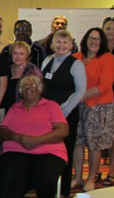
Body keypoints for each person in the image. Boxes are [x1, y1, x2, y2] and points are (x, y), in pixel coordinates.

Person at [0, 75, 69, 198]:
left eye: (33, 85)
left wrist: (37, 140)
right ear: (20, 90)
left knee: (45, 175)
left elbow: (63, 131)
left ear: (40, 89)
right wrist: (18, 138)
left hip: (48, 152)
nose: (28, 88)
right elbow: (1, 130)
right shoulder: (15, 107)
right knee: (10, 174)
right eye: (25, 86)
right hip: (16, 150)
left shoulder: (51, 106)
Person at [39, 30, 86, 196]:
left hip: (67, 115)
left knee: (65, 150)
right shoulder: (47, 60)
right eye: (58, 42)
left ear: (71, 45)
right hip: (46, 114)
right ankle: (47, 186)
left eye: (65, 43)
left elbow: (80, 91)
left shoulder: (76, 64)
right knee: (47, 149)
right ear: (52, 44)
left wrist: (64, 110)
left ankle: (64, 189)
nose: (61, 45)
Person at [72, 28, 114, 191]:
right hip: (78, 106)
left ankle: (91, 178)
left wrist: (80, 95)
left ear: (102, 42)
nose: (94, 42)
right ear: (85, 39)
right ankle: (78, 177)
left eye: (97, 39)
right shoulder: (75, 57)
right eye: (91, 38)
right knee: (77, 141)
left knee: (94, 144)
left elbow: (104, 86)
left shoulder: (107, 58)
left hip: (99, 107)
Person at [2, 41, 43, 110]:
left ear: (27, 55)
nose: (17, 57)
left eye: (21, 54)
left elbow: (39, 92)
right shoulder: (7, 69)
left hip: (26, 109)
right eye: (15, 53)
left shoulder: (32, 70)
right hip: (8, 109)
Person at [101, 17, 114, 187]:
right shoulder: (99, 50)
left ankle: (111, 171)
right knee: (98, 137)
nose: (111, 31)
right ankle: (95, 169)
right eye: (108, 28)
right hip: (100, 98)